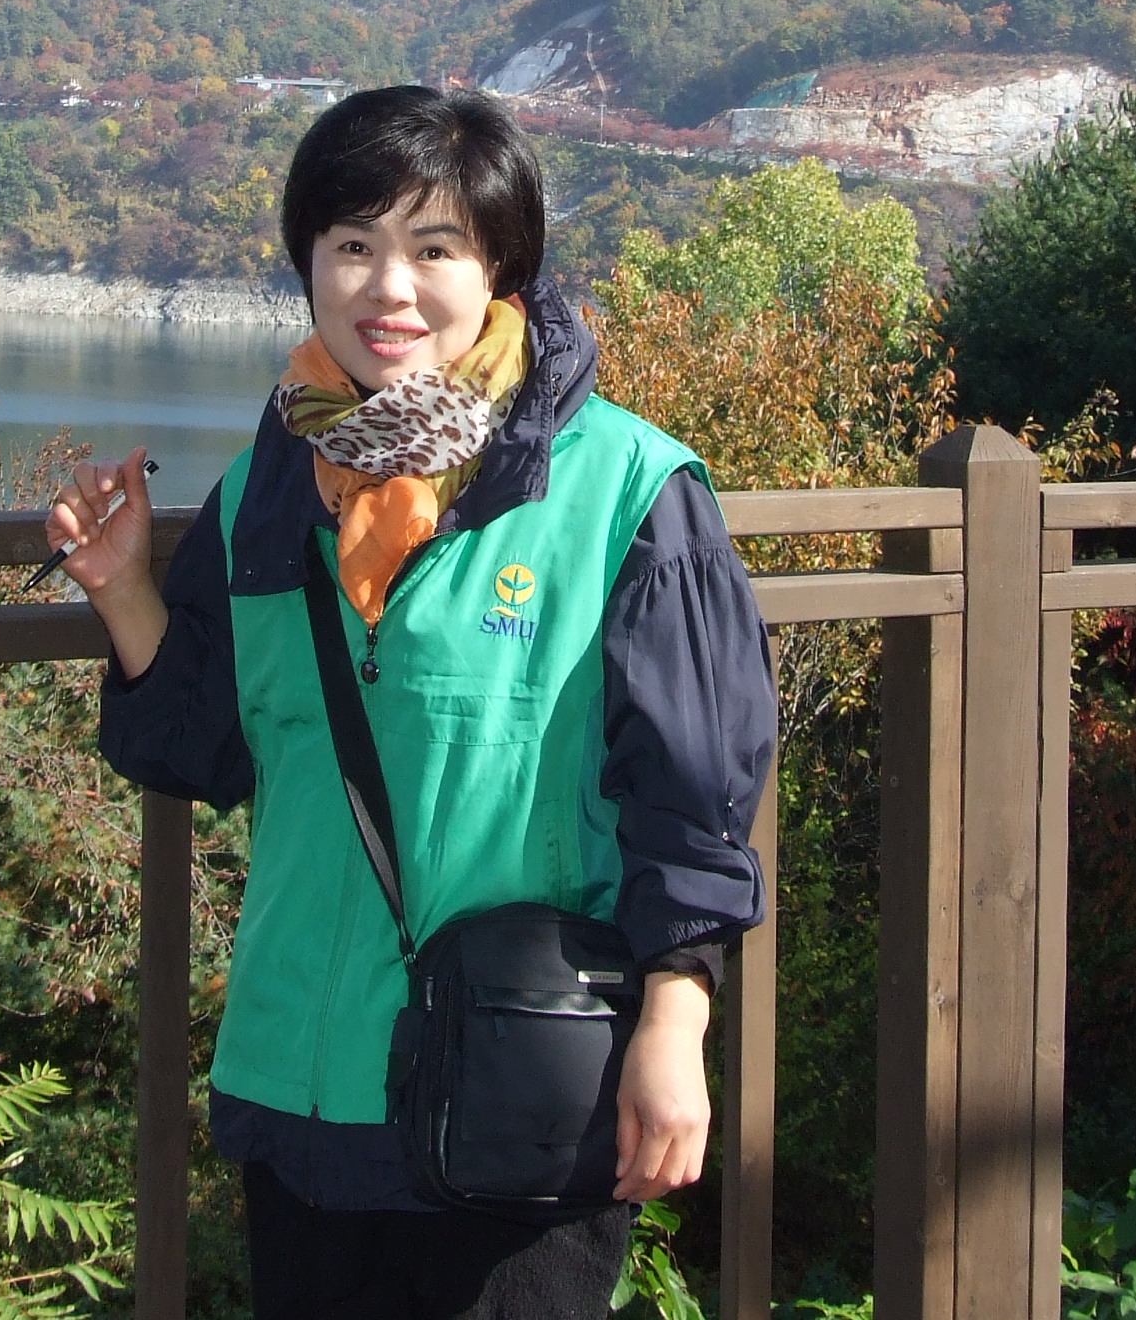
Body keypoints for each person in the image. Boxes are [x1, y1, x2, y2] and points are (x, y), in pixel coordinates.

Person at [49, 84, 777, 1320]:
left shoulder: (623, 489)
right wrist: (123, 591)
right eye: (353, 244)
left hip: (515, 1079)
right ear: (308, 263)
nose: (388, 287)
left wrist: (673, 1027)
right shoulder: (269, 489)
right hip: (304, 1082)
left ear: (500, 270)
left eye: (434, 248)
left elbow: (693, 790)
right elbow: (207, 751)